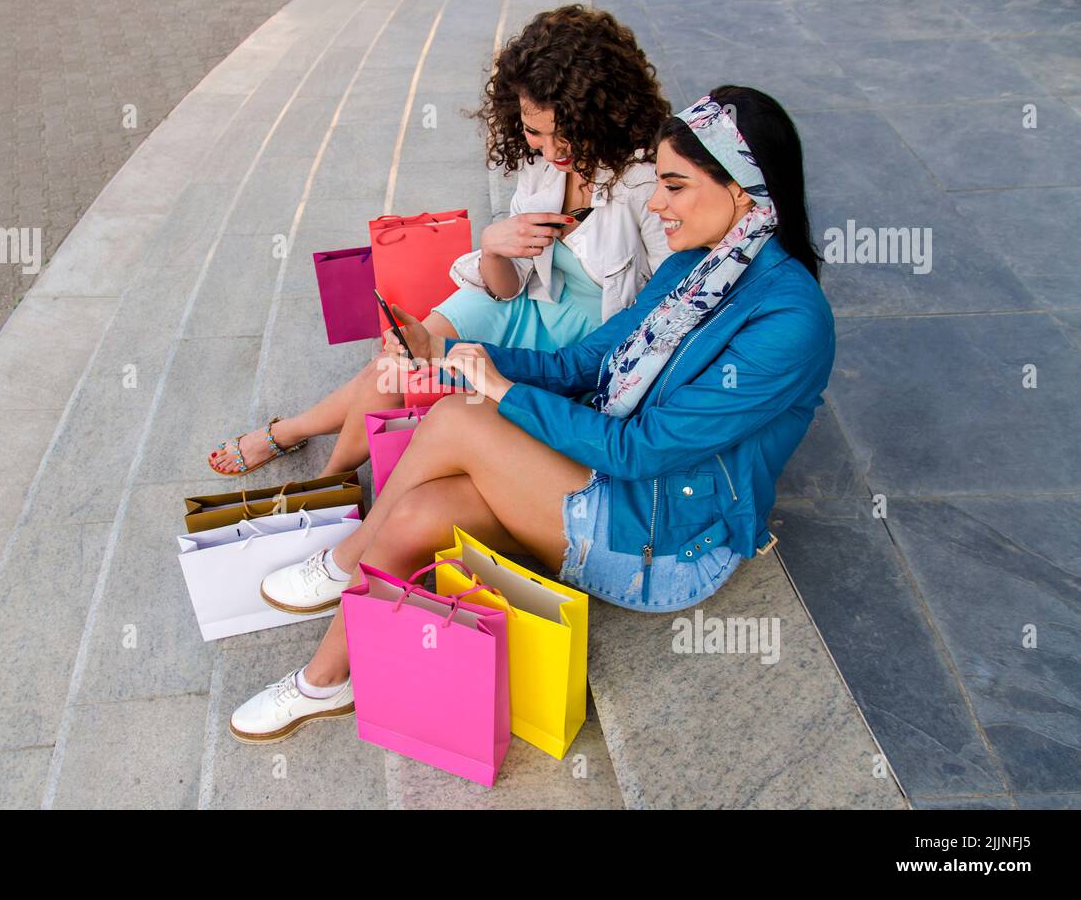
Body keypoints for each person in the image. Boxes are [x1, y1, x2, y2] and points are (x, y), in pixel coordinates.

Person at [228, 85, 835, 745]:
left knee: (460, 418)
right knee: (414, 515)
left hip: (661, 541)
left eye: (674, 186)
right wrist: (453, 350)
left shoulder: (791, 320)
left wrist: (500, 389)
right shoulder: (697, 265)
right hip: (602, 472)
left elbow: (640, 449)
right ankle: (325, 679)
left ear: (743, 191)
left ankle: (347, 558)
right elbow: (587, 363)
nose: (656, 203)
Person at [208, 4, 672, 477]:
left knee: (411, 362)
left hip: (588, 339)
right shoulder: (540, 165)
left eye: (568, 136)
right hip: (522, 301)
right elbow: (507, 288)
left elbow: (667, 299)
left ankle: (311, 466)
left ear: (601, 116)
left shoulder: (645, 181)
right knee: (398, 360)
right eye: (535, 132)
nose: (552, 152)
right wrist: (493, 245)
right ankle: (318, 469)